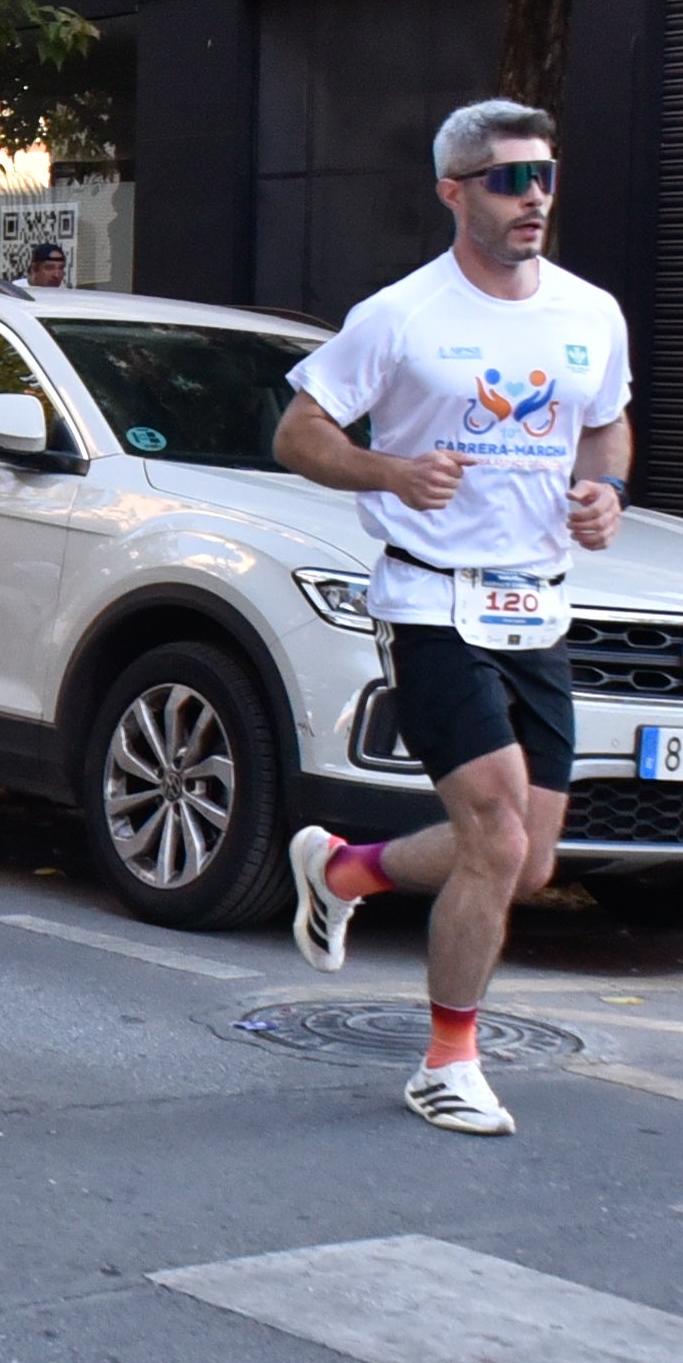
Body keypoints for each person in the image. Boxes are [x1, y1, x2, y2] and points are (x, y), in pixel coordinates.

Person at [275, 97, 631, 1137]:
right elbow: (298, 433)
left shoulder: (587, 313)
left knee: (528, 858)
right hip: (431, 596)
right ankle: (446, 1059)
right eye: (509, 180)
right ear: (452, 191)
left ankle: (343, 869)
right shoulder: (400, 316)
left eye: (545, 177)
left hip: (540, 605)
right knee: (494, 827)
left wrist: (605, 492)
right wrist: (388, 467)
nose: (533, 200)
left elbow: (606, 429)